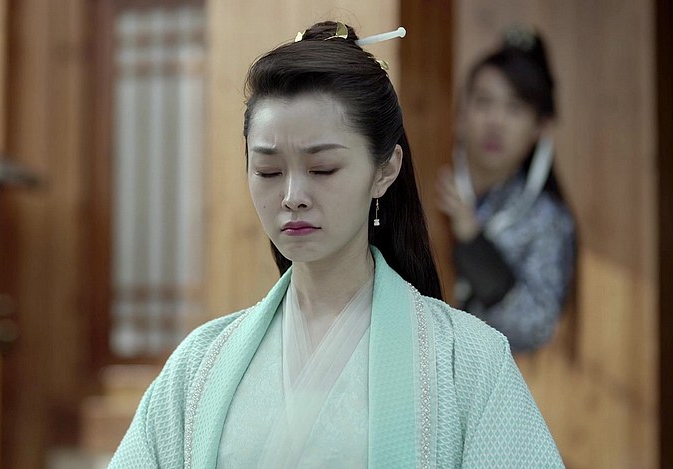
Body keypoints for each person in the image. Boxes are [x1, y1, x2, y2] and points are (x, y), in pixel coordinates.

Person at [110, 21, 564, 468]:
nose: (292, 196)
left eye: (322, 168)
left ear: (385, 170)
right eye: (268, 171)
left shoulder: (469, 361)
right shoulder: (199, 364)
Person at [436, 27, 576, 353]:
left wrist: (474, 244)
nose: (495, 121)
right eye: (483, 102)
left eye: (514, 108)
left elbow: (538, 326)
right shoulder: (428, 182)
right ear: (460, 114)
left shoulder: (546, 219)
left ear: (539, 128)